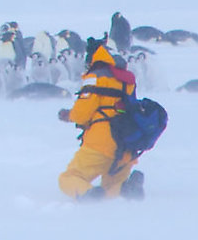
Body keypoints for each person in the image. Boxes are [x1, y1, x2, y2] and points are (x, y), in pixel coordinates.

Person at [58, 41, 144, 200]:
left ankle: (88, 194)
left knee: (69, 178)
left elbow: (81, 114)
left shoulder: (95, 77)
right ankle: (125, 189)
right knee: (111, 189)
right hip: (126, 147)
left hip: (100, 143)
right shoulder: (127, 80)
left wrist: (68, 115)